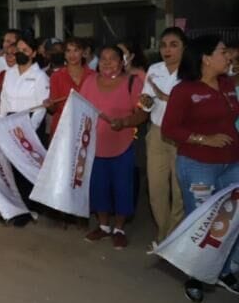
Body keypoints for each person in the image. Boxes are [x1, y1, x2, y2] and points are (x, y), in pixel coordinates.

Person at [161, 35, 239, 303]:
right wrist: (205, 139)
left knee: (229, 220)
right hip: (198, 166)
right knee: (202, 222)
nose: (229, 56)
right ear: (206, 58)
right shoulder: (184, 90)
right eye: (223, 51)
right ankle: (194, 276)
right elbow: (170, 129)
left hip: (232, 164)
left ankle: (224, 271)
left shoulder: (227, 84)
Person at [79, 45, 148, 249]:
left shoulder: (133, 83)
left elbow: (143, 113)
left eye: (113, 58)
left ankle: (119, 229)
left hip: (123, 144)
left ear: (121, 62)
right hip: (94, 144)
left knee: (122, 187)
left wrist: (125, 122)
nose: (107, 62)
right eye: (103, 58)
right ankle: (103, 226)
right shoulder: (89, 81)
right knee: (98, 186)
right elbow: (80, 107)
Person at [139, 27, 186, 242]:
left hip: (182, 134)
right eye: (164, 45)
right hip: (157, 132)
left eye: (174, 45)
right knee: (156, 188)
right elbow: (146, 101)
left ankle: (174, 238)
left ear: (184, 47)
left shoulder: (192, 71)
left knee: (179, 190)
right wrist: (146, 101)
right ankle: (163, 233)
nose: (167, 50)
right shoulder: (154, 69)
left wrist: (163, 96)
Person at [0, 36, 50, 226]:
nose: (20, 53)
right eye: (18, 49)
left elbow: (42, 107)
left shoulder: (40, 76)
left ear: (33, 53)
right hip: (10, 122)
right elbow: (4, 100)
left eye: (25, 50)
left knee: (26, 168)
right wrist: (0, 123)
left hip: (30, 124)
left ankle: (28, 210)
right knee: (11, 168)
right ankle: (14, 207)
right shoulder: (9, 73)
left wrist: (29, 130)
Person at [45, 37, 94, 137]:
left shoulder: (93, 76)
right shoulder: (56, 76)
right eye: (68, 51)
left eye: (76, 50)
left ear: (83, 52)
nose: (72, 55)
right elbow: (54, 108)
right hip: (62, 128)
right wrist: (49, 105)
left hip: (86, 127)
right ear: (64, 54)